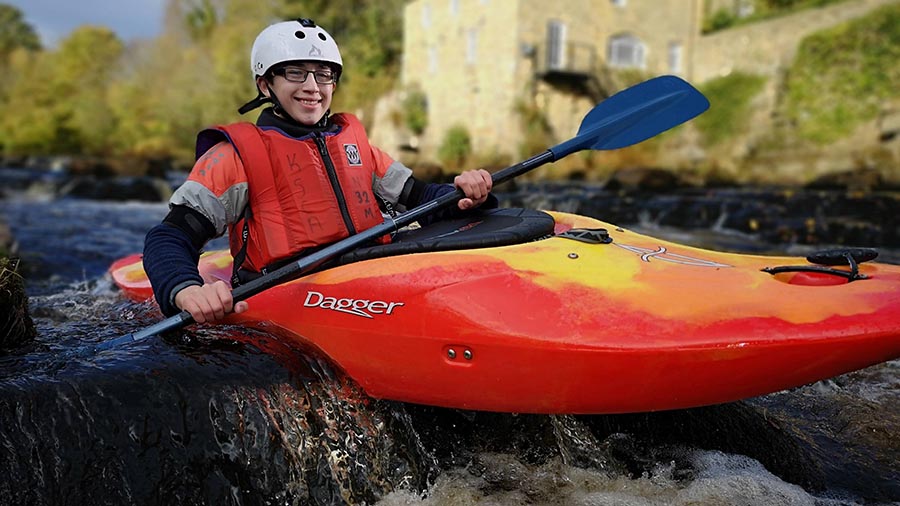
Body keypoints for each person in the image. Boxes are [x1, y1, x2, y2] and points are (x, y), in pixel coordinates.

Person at [142, 18, 495, 324]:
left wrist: (464, 195)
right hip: (286, 296)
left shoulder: (357, 148)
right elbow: (169, 238)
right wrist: (186, 289)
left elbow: (424, 200)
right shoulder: (233, 157)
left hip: (372, 282)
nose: (312, 87)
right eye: (296, 72)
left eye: (323, 74)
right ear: (265, 84)